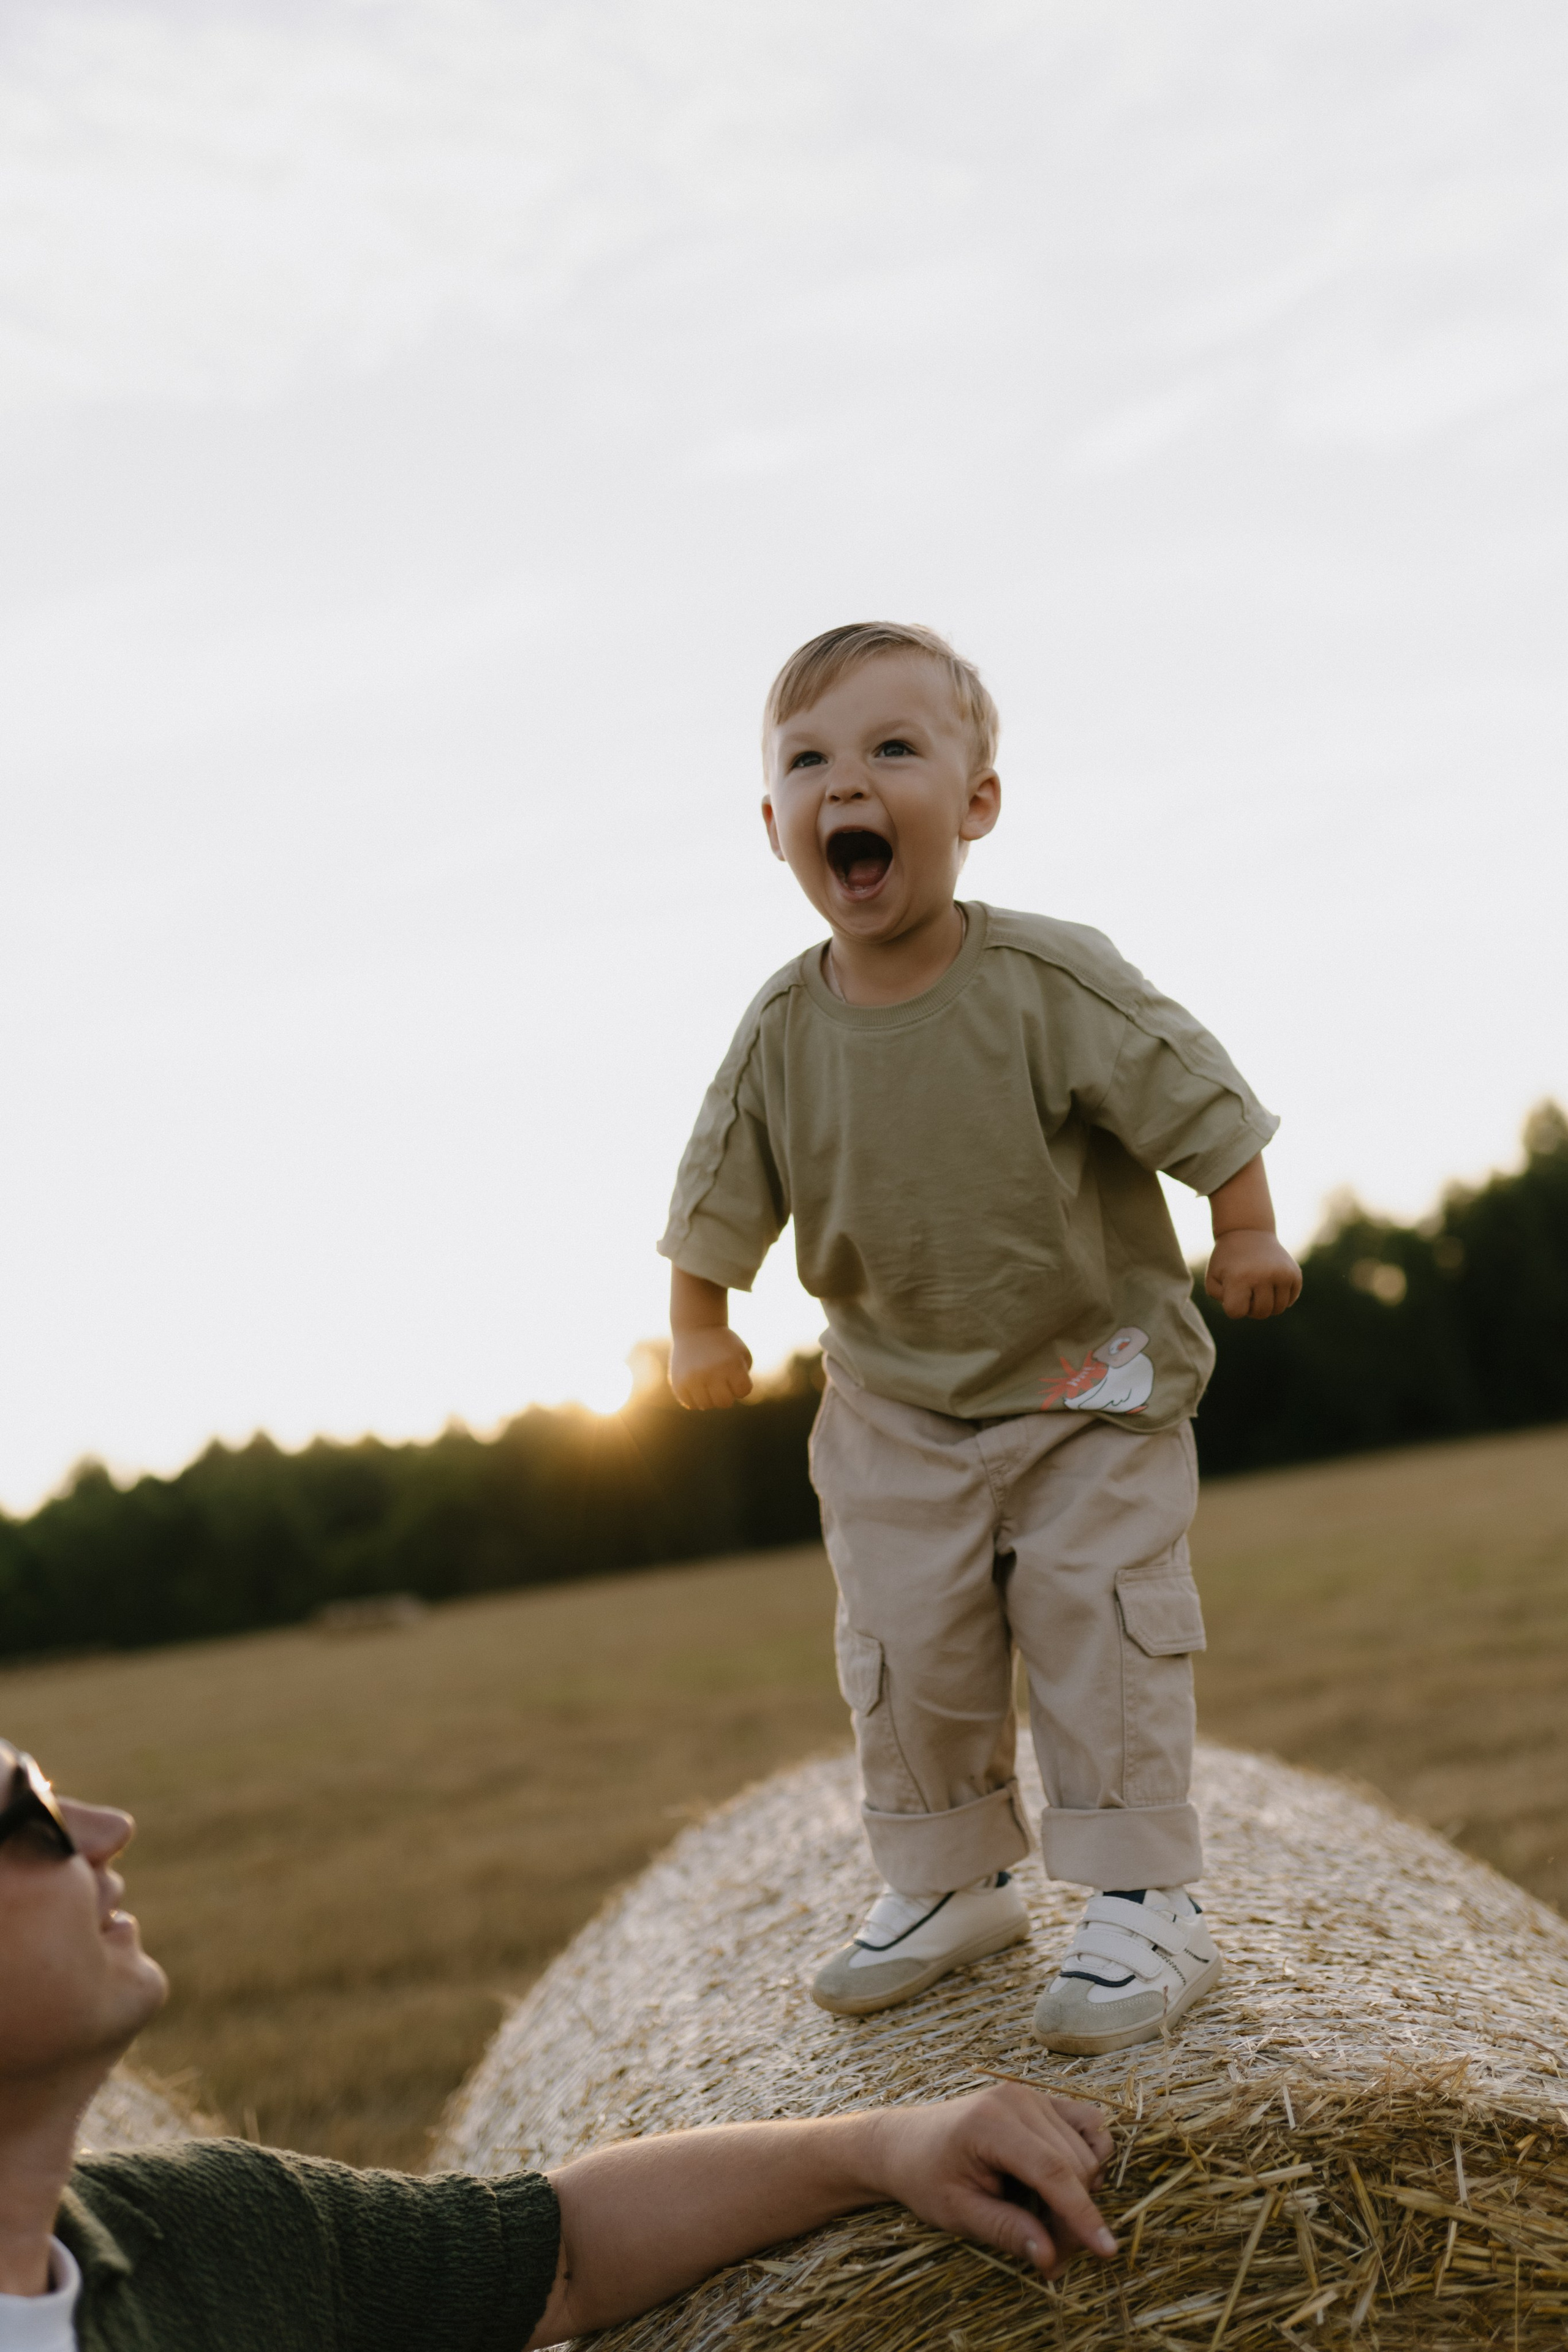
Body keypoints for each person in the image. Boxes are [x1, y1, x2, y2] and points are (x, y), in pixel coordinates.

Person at [660, 621, 1302, 2054]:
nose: (851, 783)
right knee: (904, 1648)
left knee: (1099, 1620)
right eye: (811, 760)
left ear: (975, 803)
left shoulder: (1044, 982)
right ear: (774, 825)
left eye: (895, 749)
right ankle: (946, 1882)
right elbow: (717, 1188)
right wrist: (699, 1322)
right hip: (893, 1408)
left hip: (1091, 1382)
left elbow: (1199, 1099)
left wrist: (1244, 1230)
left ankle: (1144, 1896)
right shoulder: (778, 1030)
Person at [0, 1737, 1118, 2348]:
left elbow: (561, 2259)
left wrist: (886, 2148)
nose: (104, 1830)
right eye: (31, 1815)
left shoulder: (210, 2235)